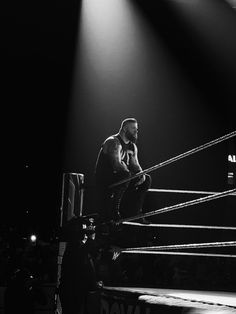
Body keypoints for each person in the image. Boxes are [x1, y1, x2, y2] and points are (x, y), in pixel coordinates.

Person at [95, 118, 151, 224]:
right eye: (133, 128)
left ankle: (136, 212)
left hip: (122, 179)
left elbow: (135, 164)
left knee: (146, 179)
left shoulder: (132, 146)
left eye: (137, 129)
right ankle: (114, 211)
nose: (136, 131)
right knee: (125, 174)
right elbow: (116, 165)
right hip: (105, 181)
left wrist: (141, 174)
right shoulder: (113, 142)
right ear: (125, 129)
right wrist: (129, 173)